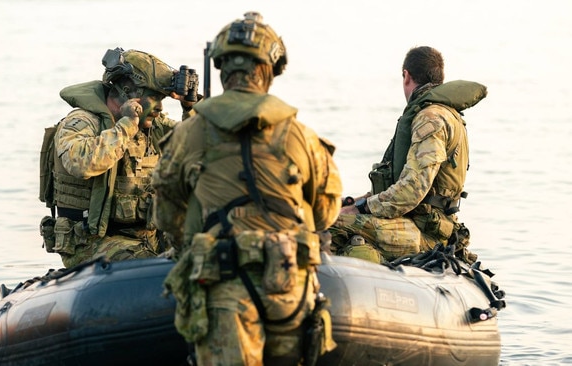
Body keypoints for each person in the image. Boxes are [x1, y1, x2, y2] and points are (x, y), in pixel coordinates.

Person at [152, 12, 342, 366]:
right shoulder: (300, 135)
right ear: (268, 70)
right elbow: (325, 211)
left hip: (224, 287)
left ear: (223, 69)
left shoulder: (191, 133)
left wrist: (190, 243)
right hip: (290, 284)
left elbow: (166, 210)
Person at [39, 47, 199, 268]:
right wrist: (126, 126)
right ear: (126, 91)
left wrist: (190, 109)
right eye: (154, 98)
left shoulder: (153, 125)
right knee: (152, 270)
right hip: (93, 243)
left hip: (147, 239)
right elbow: (80, 163)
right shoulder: (82, 122)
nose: (160, 107)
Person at [330, 46, 487, 264]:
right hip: (419, 222)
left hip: (425, 231)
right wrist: (351, 203)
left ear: (406, 76)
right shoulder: (443, 114)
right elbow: (398, 187)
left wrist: (359, 210)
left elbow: (413, 189)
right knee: (331, 213)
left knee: (328, 227)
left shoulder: (430, 118)